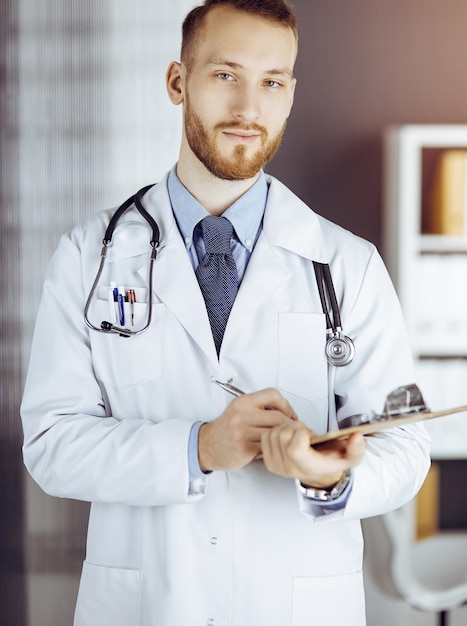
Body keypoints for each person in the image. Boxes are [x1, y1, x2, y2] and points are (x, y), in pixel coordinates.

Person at [21, 1, 431, 625]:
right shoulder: (89, 256)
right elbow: (51, 444)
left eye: (271, 83)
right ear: (177, 82)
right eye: (225, 75)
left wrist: (330, 478)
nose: (248, 108)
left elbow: (403, 444)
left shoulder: (349, 265)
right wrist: (199, 447)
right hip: (148, 603)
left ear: (290, 95)